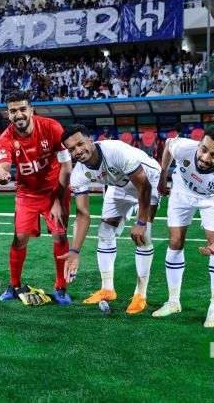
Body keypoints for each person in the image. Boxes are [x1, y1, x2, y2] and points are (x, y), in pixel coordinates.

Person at [60, 124, 161, 314]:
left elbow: (144, 186)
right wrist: (74, 250)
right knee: (105, 233)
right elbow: (82, 214)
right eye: (71, 149)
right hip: (119, 186)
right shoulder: (79, 174)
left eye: (80, 144)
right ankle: (107, 289)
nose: (77, 151)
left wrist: (140, 222)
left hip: (149, 182)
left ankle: (141, 294)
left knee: (142, 237)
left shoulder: (116, 150)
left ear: (91, 139)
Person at [152, 126, 214, 328]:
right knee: (174, 242)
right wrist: (163, 174)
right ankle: (173, 301)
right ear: (199, 144)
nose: (206, 157)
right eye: (204, 149)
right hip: (181, 191)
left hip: (211, 199)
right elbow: (168, 146)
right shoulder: (183, 147)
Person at [0, 90, 73, 306]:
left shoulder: (51, 127)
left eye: (22, 109)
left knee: (60, 237)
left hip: (55, 191)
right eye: (12, 111)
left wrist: (58, 199)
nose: (18, 114)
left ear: (31, 110)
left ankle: (61, 287)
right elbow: (2, 164)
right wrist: (2, 174)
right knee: (19, 239)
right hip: (26, 193)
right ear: (7, 115)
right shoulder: (4, 140)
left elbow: (66, 165)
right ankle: (15, 284)